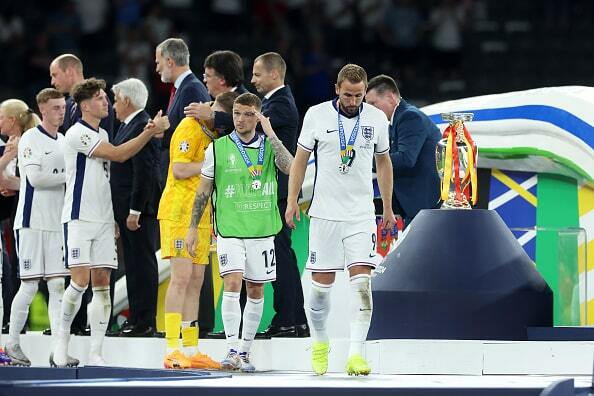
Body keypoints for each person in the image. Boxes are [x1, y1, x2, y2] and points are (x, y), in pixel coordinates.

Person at [285, 64, 396, 376]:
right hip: (324, 214)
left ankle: (356, 354)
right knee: (321, 289)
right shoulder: (317, 115)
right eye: (348, 94)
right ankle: (320, 342)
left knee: (362, 286)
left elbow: (384, 163)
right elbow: (300, 161)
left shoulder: (375, 118)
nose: (353, 101)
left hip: (360, 215)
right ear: (336, 89)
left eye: (359, 95)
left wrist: (386, 207)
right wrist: (293, 200)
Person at [52, 78, 168, 367]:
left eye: (107, 97)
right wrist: (150, 131)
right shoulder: (77, 133)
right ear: (85, 104)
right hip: (79, 217)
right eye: (101, 98)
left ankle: (96, 352)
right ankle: (60, 347)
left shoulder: (104, 131)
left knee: (103, 285)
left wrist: (114, 217)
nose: (106, 102)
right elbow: (119, 155)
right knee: (79, 283)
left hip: (103, 219)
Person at [185, 93, 294, 372]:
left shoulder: (269, 147)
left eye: (247, 114)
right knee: (232, 284)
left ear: (257, 117)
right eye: (236, 113)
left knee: (255, 289)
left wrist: (271, 134)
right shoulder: (218, 148)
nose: (240, 119)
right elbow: (203, 190)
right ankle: (232, 350)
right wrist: (193, 228)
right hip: (230, 229)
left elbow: (291, 168)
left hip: (261, 230)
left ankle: (245, 351)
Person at [157, 92, 237, 370]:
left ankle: (191, 349)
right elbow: (178, 169)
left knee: (196, 281)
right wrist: (212, 164)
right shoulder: (189, 127)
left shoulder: (215, 135)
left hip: (201, 217)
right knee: (180, 278)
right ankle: (171, 348)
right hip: (179, 213)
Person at [4, 89, 71, 367]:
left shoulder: (64, 139)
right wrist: (71, 176)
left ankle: (58, 349)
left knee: (57, 285)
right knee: (29, 285)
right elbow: (35, 177)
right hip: (31, 221)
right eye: (55, 108)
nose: (61, 111)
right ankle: (12, 342)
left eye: (62, 107)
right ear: (42, 110)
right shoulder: (31, 138)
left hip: (56, 223)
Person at [250, 52, 308, 339]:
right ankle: (295, 319)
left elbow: (250, 126)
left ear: (274, 74)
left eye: (257, 74)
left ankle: (287, 319)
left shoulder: (281, 104)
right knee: (281, 255)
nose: (253, 80)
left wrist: (217, 115)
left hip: (277, 191)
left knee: (278, 256)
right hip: (278, 191)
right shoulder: (277, 102)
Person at [110, 78, 161, 337]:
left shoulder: (144, 126)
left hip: (138, 211)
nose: (114, 105)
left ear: (127, 101)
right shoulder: (128, 126)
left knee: (142, 263)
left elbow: (145, 173)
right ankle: (136, 319)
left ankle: (145, 321)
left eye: (116, 99)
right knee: (132, 264)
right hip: (127, 210)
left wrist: (135, 210)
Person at [365, 74, 441, 226]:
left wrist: (366, 159)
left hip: (427, 208)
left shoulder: (410, 117)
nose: (370, 111)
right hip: (415, 207)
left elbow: (406, 159)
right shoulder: (394, 121)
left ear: (391, 97)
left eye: (374, 104)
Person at [0, 99, 40, 365]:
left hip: (28, 214)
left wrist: (10, 178)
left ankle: (14, 330)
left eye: (1, 117)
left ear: (13, 120)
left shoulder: (30, 143)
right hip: (15, 215)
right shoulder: (10, 145)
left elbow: (29, 181)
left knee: (23, 273)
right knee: (14, 271)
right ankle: (11, 329)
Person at [155, 38, 210, 187]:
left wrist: (162, 132)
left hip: (187, 182)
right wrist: (161, 130)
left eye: (158, 63)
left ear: (169, 62)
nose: (157, 69)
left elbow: (194, 136)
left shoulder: (191, 89)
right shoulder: (183, 88)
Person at [49, 54, 115, 139]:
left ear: (70, 72)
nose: (52, 82)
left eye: (54, 75)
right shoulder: (67, 104)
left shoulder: (98, 99)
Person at [184, 50, 248, 135]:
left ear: (222, 80)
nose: (204, 80)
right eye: (204, 76)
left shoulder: (247, 101)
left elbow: (248, 122)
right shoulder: (216, 99)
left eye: (208, 76)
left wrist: (212, 115)